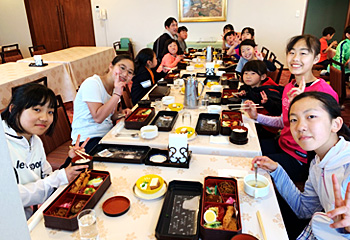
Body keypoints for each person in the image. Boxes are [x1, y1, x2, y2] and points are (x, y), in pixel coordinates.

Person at [252, 91, 350, 239]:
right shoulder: (317, 164)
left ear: (335, 124)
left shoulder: (347, 166)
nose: (300, 127)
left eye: (311, 116)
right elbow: (304, 209)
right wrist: (277, 170)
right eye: (293, 120)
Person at [244, 34, 339, 183]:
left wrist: (303, 105)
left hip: (301, 158)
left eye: (303, 53)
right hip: (282, 144)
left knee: (251, 168)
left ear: (316, 58)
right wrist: (257, 117)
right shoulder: (290, 87)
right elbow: (284, 122)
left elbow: (328, 138)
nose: (295, 58)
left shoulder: (324, 92)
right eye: (292, 52)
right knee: (244, 149)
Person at [1, 83, 89, 219]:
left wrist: (70, 161)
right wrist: (60, 177)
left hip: (30, 217)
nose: (45, 118)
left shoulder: (35, 140)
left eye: (50, 112)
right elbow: (11, 196)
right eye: (37, 109)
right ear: (14, 109)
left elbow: (47, 178)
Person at [71, 54, 134, 153]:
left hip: (106, 135)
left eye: (130, 72)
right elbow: (98, 118)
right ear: (111, 66)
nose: (125, 74)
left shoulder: (115, 87)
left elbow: (110, 116)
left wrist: (122, 113)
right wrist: (117, 94)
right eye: (122, 68)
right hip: (86, 140)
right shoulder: (92, 83)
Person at [239, 60, 283, 139]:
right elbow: (245, 88)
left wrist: (267, 103)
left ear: (263, 77)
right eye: (246, 73)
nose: (248, 76)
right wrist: (243, 92)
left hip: (267, 128)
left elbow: (279, 110)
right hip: (255, 118)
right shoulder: (253, 84)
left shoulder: (268, 91)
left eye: (253, 73)